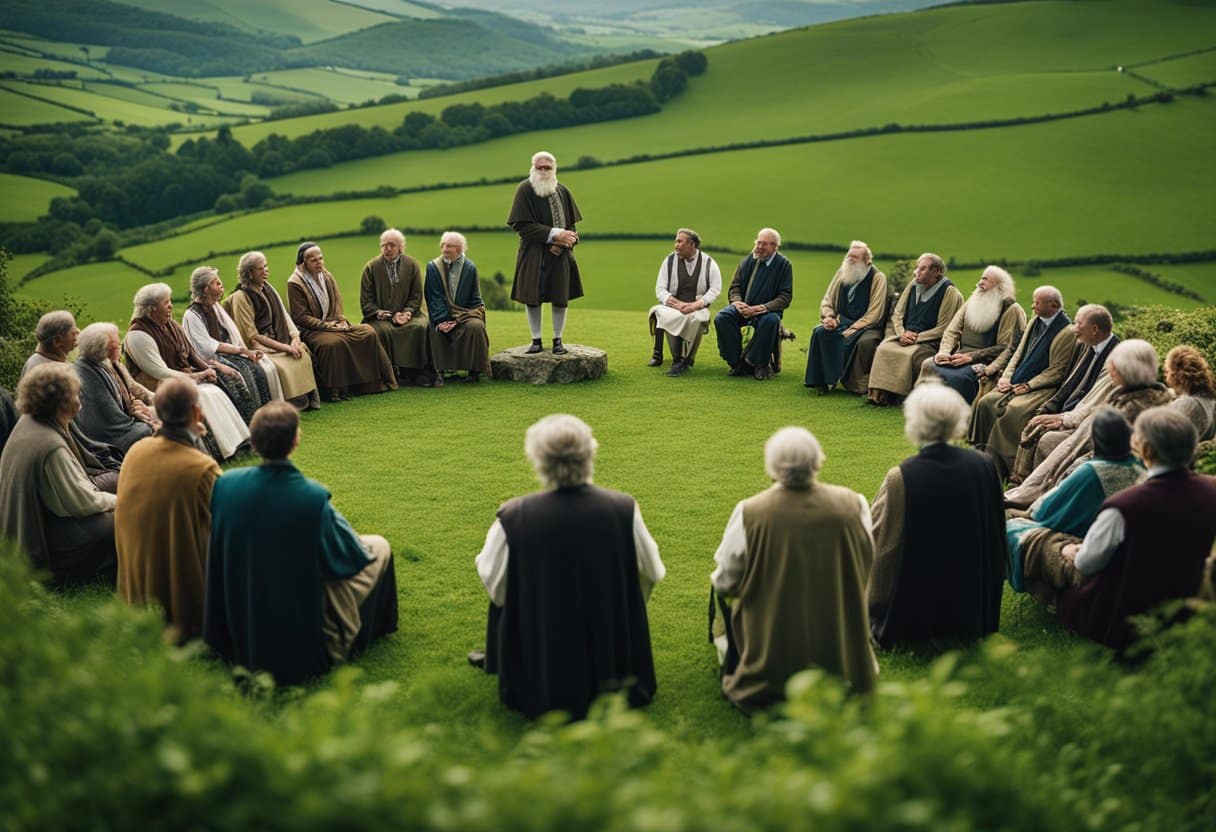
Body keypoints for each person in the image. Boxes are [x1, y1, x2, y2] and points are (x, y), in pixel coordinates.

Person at [475, 414, 665, 720]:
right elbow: (652, 573)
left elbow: (495, 587)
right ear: (590, 454)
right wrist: (622, 610)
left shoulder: (512, 516)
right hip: (612, 654)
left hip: (543, 659)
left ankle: (515, 666)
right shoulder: (623, 508)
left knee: (501, 587)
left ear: (537, 459)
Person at [204, 401, 399, 685]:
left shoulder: (225, 485)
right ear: (295, 440)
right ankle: (363, 632)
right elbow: (349, 555)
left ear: (254, 443)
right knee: (378, 546)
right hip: (294, 619)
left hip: (240, 611)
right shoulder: (311, 497)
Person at [711, 426, 877, 712]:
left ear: (772, 466)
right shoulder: (854, 504)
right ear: (818, 460)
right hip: (838, 628)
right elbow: (866, 560)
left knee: (722, 611)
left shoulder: (750, 512)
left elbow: (726, 581)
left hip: (775, 636)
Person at [1054, 407, 1216, 650]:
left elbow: (1088, 564)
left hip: (1127, 618)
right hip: (1191, 604)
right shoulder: (1211, 490)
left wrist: (1071, 552)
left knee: (1062, 574)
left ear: (1147, 450)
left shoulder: (1124, 506)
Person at [868, 383, 1006, 649]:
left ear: (914, 423)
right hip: (972, 606)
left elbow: (880, 540)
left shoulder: (902, 476)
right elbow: (995, 534)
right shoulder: (985, 465)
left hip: (917, 610)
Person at [1004, 339, 1171, 509]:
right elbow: (1088, 411)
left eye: (1114, 366)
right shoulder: (1127, 392)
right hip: (1083, 440)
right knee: (1049, 438)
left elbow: (1089, 443)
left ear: (1127, 370)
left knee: (1057, 447)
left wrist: (1066, 424)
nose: (1110, 368)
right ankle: (1026, 489)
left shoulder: (1133, 407)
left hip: (1098, 459)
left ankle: (1033, 496)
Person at [114, 378, 221, 642]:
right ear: (196, 412)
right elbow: (222, 522)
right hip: (180, 592)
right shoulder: (201, 469)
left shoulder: (136, 452)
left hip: (139, 585)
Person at [1006, 407, 1143, 603]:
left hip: (1085, 540)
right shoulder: (1138, 467)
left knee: (1013, 529)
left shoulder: (1091, 470)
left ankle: (1044, 593)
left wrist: (1023, 515)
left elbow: (1045, 510)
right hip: (1114, 542)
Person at [0, 363, 116, 585]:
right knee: (118, 519)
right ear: (61, 404)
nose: (80, 402)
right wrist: (122, 501)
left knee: (113, 489)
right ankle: (107, 571)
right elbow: (82, 503)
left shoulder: (30, 421)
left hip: (33, 522)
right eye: (75, 396)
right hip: (41, 539)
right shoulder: (51, 448)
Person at [123, 283, 250, 462]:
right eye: (165, 302)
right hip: (160, 386)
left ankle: (237, 443)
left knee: (215, 391)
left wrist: (207, 369)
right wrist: (197, 376)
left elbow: (191, 354)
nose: (171, 306)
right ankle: (221, 451)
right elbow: (159, 371)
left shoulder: (171, 325)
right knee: (203, 394)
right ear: (152, 309)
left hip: (181, 379)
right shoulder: (137, 335)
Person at [968, 286, 1077, 479]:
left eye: (1037, 302)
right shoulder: (1035, 321)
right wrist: (1005, 378)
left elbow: (1056, 371)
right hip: (1015, 381)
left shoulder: (1066, 332)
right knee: (985, 403)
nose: (1032, 307)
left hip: (1041, 388)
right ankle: (980, 452)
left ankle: (1003, 466)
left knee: (1013, 412)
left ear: (1053, 305)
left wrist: (1028, 385)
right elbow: (1018, 353)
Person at [1005, 305, 1119, 485]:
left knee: (1045, 436)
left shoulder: (1114, 358)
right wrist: (1050, 406)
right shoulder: (1088, 345)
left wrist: (1062, 417)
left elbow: (1094, 403)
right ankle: (1020, 477)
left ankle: (1036, 486)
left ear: (1094, 329)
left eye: (1078, 324)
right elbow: (1070, 383)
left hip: (1080, 419)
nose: (1074, 329)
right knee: (1035, 421)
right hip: (1070, 408)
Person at [22, 310, 124, 492]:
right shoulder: (49, 373)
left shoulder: (38, 362)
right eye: (72, 331)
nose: (78, 331)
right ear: (57, 342)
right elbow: (71, 427)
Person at [287, 242, 397, 401]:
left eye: (321, 258)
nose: (319, 262)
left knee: (367, 332)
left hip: (335, 324)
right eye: (314, 260)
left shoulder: (326, 275)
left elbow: (337, 303)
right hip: (312, 330)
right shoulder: (295, 283)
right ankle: (335, 390)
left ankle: (370, 384)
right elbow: (301, 317)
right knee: (332, 344)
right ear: (303, 264)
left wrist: (340, 320)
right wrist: (328, 326)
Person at [507, 151, 582, 355]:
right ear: (532, 168)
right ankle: (536, 340)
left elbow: (572, 226)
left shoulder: (563, 191)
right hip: (533, 254)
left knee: (560, 297)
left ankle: (558, 340)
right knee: (533, 297)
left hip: (561, 256)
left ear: (554, 168)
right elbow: (522, 226)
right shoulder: (524, 190)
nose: (543, 171)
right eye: (539, 167)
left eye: (547, 167)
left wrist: (569, 240)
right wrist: (556, 235)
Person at [916, 265, 1025, 403]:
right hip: (958, 356)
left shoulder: (1011, 309)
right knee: (928, 364)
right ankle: (926, 408)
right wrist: (944, 352)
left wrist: (971, 357)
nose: (980, 283)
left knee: (958, 378)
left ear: (999, 286)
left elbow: (1006, 347)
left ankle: (956, 415)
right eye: (981, 278)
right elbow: (951, 331)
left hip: (985, 362)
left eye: (985, 280)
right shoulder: (973, 300)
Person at [865, 253, 964, 406]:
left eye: (922, 269)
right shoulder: (913, 285)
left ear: (936, 272)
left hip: (931, 341)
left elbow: (944, 327)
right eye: (917, 268)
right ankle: (879, 396)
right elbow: (897, 314)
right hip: (906, 336)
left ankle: (902, 398)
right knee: (883, 348)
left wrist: (916, 338)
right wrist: (902, 333)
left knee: (911, 356)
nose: (916, 272)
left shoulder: (949, 292)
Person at [229, 251, 320, 411]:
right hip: (259, 347)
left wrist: (294, 339)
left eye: (266, 266)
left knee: (302, 352)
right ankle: (291, 404)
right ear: (249, 273)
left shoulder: (268, 289)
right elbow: (252, 335)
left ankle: (307, 399)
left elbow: (285, 317)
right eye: (260, 268)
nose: (266, 271)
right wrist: (285, 348)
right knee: (282, 364)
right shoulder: (240, 297)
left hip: (281, 340)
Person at [182, 266, 274, 419]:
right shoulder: (192, 315)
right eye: (217, 283)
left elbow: (229, 334)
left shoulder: (215, 306)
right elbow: (207, 348)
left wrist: (245, 351)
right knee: (237, 376)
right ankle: (249, 421)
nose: (221, 286)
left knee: (256, 369)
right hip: (210, 359)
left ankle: (266, 416)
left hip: (227, 353)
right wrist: (242, 351)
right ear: (206, 289)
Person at [804, 241, 888, 394]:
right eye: (849, 256)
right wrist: (829, 317)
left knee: (851, 340)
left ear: (867, 260)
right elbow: (828, 299)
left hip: (866, 326)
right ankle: (820, 381)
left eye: (855, 257)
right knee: (820, 332)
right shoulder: (843, 272)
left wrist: (853, 328)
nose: (850, 259)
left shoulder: (878, 278)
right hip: (842, 322)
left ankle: (844, 381)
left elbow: (875, 313)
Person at [713, 228, 794, 381]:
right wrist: (737, 303)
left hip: (767, 311)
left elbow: (785, 297)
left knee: (771, 322)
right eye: (758, 242)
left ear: (775, 247)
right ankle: (736, 362)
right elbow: (735, 287)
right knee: (722, 318)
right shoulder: (748, 260)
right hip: (743, 308)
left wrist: (763, 308)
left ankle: (758, 364)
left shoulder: (784, 265)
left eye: (765, 244)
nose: (759, 247)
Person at [360, 228, 435, 386]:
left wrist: (407, 313)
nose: (387, 248)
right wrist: (378, 312)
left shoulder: (412, 265)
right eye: (383, 245)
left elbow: (416, 296)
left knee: (421, 327)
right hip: (380, 317)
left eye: (391, 245)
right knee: (382, 331)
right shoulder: (371, 267)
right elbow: (366, 301)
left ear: (400, 246)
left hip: (410, 314)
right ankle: (388, 373)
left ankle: (418, 372)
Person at [646, 228, 722, 377]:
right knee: (662, 313)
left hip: (697, 307)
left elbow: (715, 289)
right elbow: (660, 289)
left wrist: (695, 305)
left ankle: (687, 360)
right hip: (673, 306)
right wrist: (677, 304)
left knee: (699, 319)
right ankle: (673, 358)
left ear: (692, 244)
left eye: (680, 241)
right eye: (676, 241)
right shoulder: (669, 261)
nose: (676, 245)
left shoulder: (709, 263)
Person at [74, 322, 156, 454]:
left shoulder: (111, 364)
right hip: (108, 438)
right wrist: (136, 416)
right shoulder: (88, 373)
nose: (120, 347)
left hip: (134, 412)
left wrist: (137, 404)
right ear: (103, 350)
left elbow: (130, 390)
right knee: (149, 429)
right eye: (117, 345)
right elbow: (111, 420)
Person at [423, 231, 491, 382]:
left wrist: (460, 319)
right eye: (443, 245)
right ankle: (437, 372)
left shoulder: (470, 268)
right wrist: (442, 320)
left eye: (449, 246)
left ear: (459, 250)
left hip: (464, 315)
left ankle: (474, 371)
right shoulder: (433, 267)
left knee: (476, 327)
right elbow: (433, 298)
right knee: (433, 328)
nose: (444, 249)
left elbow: (475, 298)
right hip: (440, 314)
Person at [1164, 345, 1216, 441]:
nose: (1165, 376)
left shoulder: (1189, 404)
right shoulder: (1210, 400)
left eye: (1167, 371)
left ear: (1176, 374)